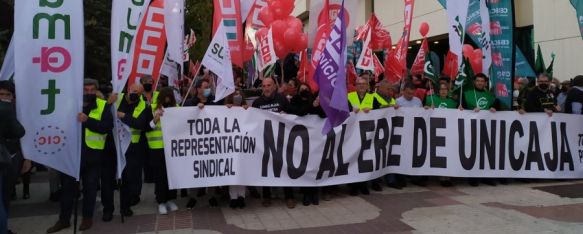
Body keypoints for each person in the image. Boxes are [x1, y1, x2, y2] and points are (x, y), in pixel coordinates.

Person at [47, 79, 114, 233]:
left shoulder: (102, 106)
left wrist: (87, 120)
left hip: (93, 156)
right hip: (71, 155)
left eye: (92, 89)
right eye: (86, 90)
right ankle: (63, 220)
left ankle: (87, 217)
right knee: (67, 190)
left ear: (96, 90)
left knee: (90, 188)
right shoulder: (69, 105)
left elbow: (106, 127)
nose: (89, 93)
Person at [252, 77, 296, 208]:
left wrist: (287, 113)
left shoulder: (282, 99)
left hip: (282, 140)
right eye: (264, 86)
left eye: (268, 85)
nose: (266, 88)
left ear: (274, 87)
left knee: (285, 167)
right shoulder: (257, 103)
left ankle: (289, 196)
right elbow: (251, 120)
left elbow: (294, 113)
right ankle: (266, 196)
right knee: (266, 168)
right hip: (265, 142)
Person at [184, 78, 224, 209]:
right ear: (198, 89)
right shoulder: (189, 103)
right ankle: (193, 197)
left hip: (212, 144)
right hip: (196, 145)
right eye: (205, 87)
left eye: (209, 87)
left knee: (211, 169)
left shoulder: (215, 102)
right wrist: (195, 109)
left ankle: (211, 196)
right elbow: (183, 118)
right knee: (195, 170)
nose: (208, 89)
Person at [117, 83, 153, 217]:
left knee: (134, 172)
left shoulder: (143, 105)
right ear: (128, 89)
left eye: (138, 93)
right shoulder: (118, 98)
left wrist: (123, 116)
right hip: (117, 143)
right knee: (122, 173)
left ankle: (134, 195)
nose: (135, 94)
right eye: (133, 91)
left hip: (134, 144)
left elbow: (139, 124)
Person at [347, 77, 385, 194]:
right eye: (359, 84)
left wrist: (372, 110)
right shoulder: (349, 96)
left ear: (368, 85)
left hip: (368, 134)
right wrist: (351, 110)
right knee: (353, 159)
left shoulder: (373, 96)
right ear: (355, 85)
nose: (361, 86)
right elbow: (343, 110)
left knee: (365, 159)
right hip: (353, 133)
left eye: (364, 84)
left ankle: (363, 184)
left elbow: (383, 109)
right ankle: (353, 186)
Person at [146, 87, 179, 215]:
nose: (167, 100)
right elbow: (146, 127)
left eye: (169, 98)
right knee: (160, 176)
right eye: (165, 98)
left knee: (172, 175)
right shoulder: (152, 108)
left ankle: (171, 199)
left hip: (173, 148)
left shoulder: (176, 108)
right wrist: (156, 118)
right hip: (157, 148)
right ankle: (161, 201)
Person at [0, 80, 26, 234]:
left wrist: (27, 158)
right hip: (3, 157)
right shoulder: (7, 110)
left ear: (13, 96)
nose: (4, 97)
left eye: (7, 95)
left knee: (6, 195)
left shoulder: (19, 110)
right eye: (1, 94)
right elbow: (19, 131)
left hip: (13, 156)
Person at [424, 83, 457, 187]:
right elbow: (422, 110)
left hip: (449, 131)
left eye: (445, 89)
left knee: (448, 154)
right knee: (439, 154)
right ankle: (442, 177)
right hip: (435, 131)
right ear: (438, 90)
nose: (443, 91)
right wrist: (427, 108)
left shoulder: (453, 102)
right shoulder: (430, 99)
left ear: (448, 90)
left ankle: (448, 176)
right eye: (441, 89)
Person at [224, 88, 250, 209]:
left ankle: (241, 196)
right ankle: (233, 197)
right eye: (235, 95)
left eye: (239, 95)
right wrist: (227, 109)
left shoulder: (246, 109)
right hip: (230, 145)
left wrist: (246, 110)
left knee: (242, 171)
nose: (237, 96)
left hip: (242, 145)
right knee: (232, 171)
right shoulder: (226, 109)